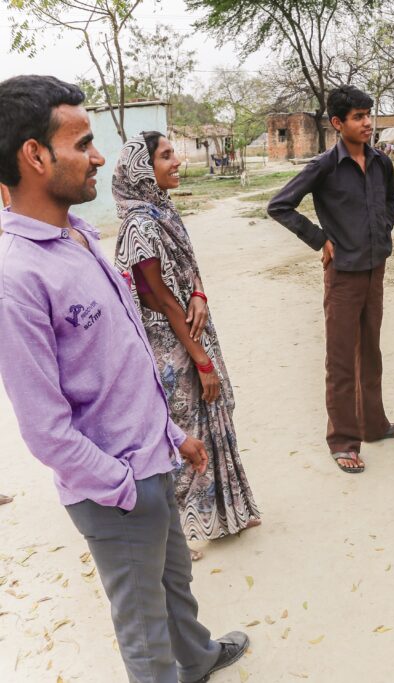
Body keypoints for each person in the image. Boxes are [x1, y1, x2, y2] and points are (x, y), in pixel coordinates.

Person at [0, 75, 247, 683]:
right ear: (35, 156)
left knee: (175, 585)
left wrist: (169, 434)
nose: (100, 157)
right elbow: (46, 431)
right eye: (82, 143)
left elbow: (123, 363)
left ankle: (198, 658)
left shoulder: (78, 236)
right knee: (142, 633)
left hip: (153, 460)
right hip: (116, 491)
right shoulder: (16, 277)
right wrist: (123, 486)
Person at [113, 133, 261, 557]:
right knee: (186, 429)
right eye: (165, 156)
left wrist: (199, 293)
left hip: (191, 330)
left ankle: (226, 512)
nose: (176, 161)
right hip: (172, 346)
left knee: (214, 417)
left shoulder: (162, 209)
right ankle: (177, 531)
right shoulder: (138, 224)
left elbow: (187, 269)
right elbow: (156, 296)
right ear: (142, 169)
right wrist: (200, 360)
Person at [268, 85, 394, 474]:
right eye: (358, 117)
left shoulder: (381, 162)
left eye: (369, 115)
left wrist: (383, 231)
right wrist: (321, 240)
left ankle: (375, 424)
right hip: (344, 275)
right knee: (341, 359)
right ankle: (343, 440)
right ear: (337, 123)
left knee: (371, 352)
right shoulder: (323, 167)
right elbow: (279, 206)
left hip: (375, 268)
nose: (368, 123)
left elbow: (391, 201)